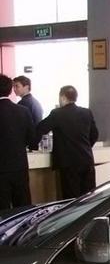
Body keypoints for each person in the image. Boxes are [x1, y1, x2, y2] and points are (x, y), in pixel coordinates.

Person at [36, 85, 99, 199]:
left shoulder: (57, 113)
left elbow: (40, 128)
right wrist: (85, 146)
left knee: (71, 199)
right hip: (87, 160)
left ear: (63, 97)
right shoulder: (86, 112)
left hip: (68, 164)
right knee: (89, 198)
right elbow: (95, 134)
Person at [0, 74, 35, 210]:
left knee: (3, 211)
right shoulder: (23, 111)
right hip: (20, 166)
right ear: (10, 90)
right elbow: (32, 139)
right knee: (23, 208)